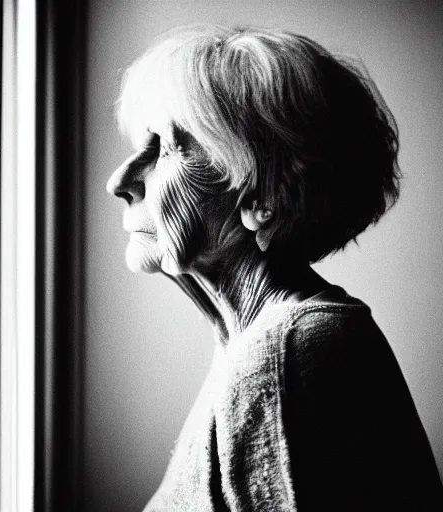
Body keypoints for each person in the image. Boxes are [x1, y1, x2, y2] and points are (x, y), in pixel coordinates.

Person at [106, 25, 443, 511]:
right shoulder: (251, 345)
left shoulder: (287, 351)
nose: (121, 181)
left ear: (265, 196)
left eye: (168, 148)